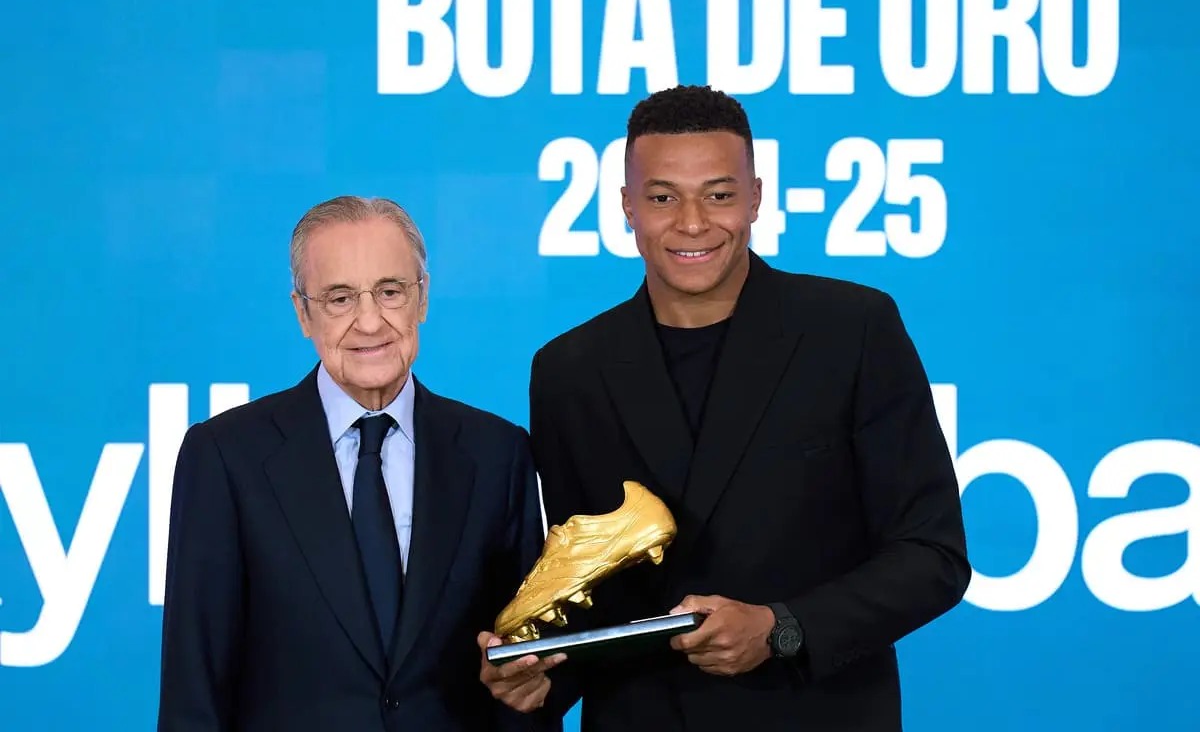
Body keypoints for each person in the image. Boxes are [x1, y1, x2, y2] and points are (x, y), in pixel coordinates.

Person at [478, 86, 971, 731]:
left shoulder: (854, 331)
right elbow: (590, 592)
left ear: (757, 198)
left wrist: (780, 629)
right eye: (662, 198)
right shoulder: (569, 370)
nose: (692, 223)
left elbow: (931, 556)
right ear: (626, 206)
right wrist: (535, 674)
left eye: (719, 194)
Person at [158, 196, 559, 732]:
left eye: (390, 292)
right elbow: (195, 688)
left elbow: (522, 673)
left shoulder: (497, 452)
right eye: (340, 298)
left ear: (422, 298)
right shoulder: (227, 456)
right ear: (303, 312)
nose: (370, 322)